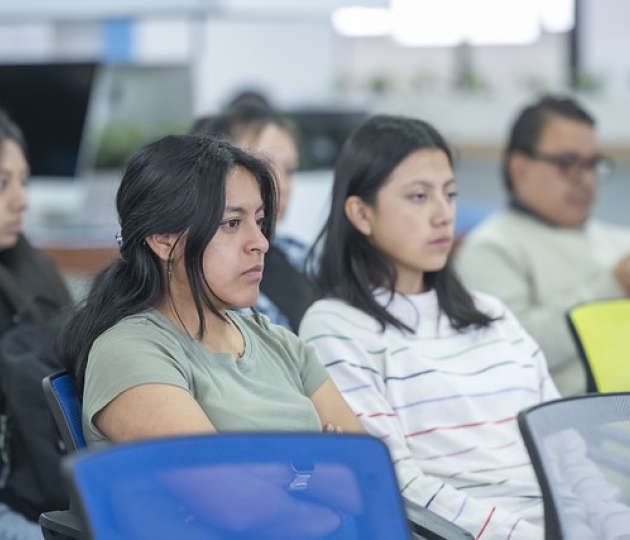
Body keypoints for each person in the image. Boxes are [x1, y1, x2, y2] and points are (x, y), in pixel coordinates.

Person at [298, 114, 630, 539]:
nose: (443, 215)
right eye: (419, 197)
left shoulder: (492, 315)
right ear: (361, 213)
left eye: (450, 194)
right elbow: (394, 484)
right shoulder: (336, 327)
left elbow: (568, 456)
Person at [56, 134, 364, 451]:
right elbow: (223, 492)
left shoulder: (282, 345)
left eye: (259, 221)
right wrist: (325, 469)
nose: (260, 242)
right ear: (163, 239)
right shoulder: (129, 353)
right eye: (232, 223)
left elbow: (370, 474)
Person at [454, 95, 630, 396]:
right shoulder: (490, 248)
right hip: (581, 432)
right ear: (520, 168)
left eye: (593, 164)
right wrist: (615, 285)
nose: (586, 179)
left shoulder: (620, 240)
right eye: (569, 163)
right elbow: (509, 351)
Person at [0, 110, 71, 538]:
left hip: (52, 489)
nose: (21, 199)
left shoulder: (30, 269)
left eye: (22, 182)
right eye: (2, 182)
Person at [190, 92, 312, 333]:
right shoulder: (200, 279)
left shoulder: (299, 254)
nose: (282, 186)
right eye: (263, 169)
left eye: (289, 171)